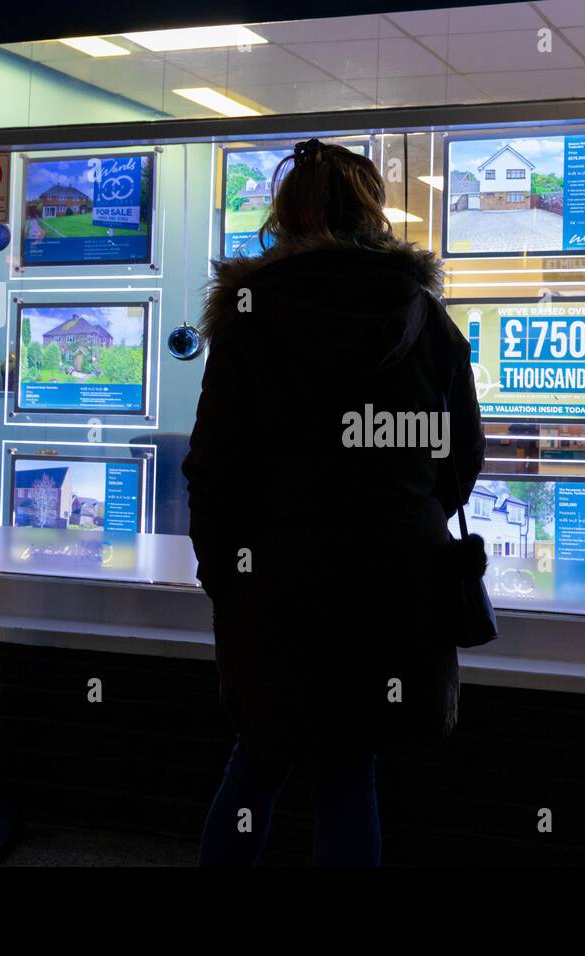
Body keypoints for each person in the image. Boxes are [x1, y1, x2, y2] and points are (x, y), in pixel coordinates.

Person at [183, 139, 485, 866]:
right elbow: (460, 459)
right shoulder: (422, 317)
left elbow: (214, 468)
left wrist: (226, 574)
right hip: (393, 583)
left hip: (277, 585)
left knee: (258, 758)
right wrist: (402, 517)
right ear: (371, 211)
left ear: (284, 217)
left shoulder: (249, 319)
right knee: (350, 770)